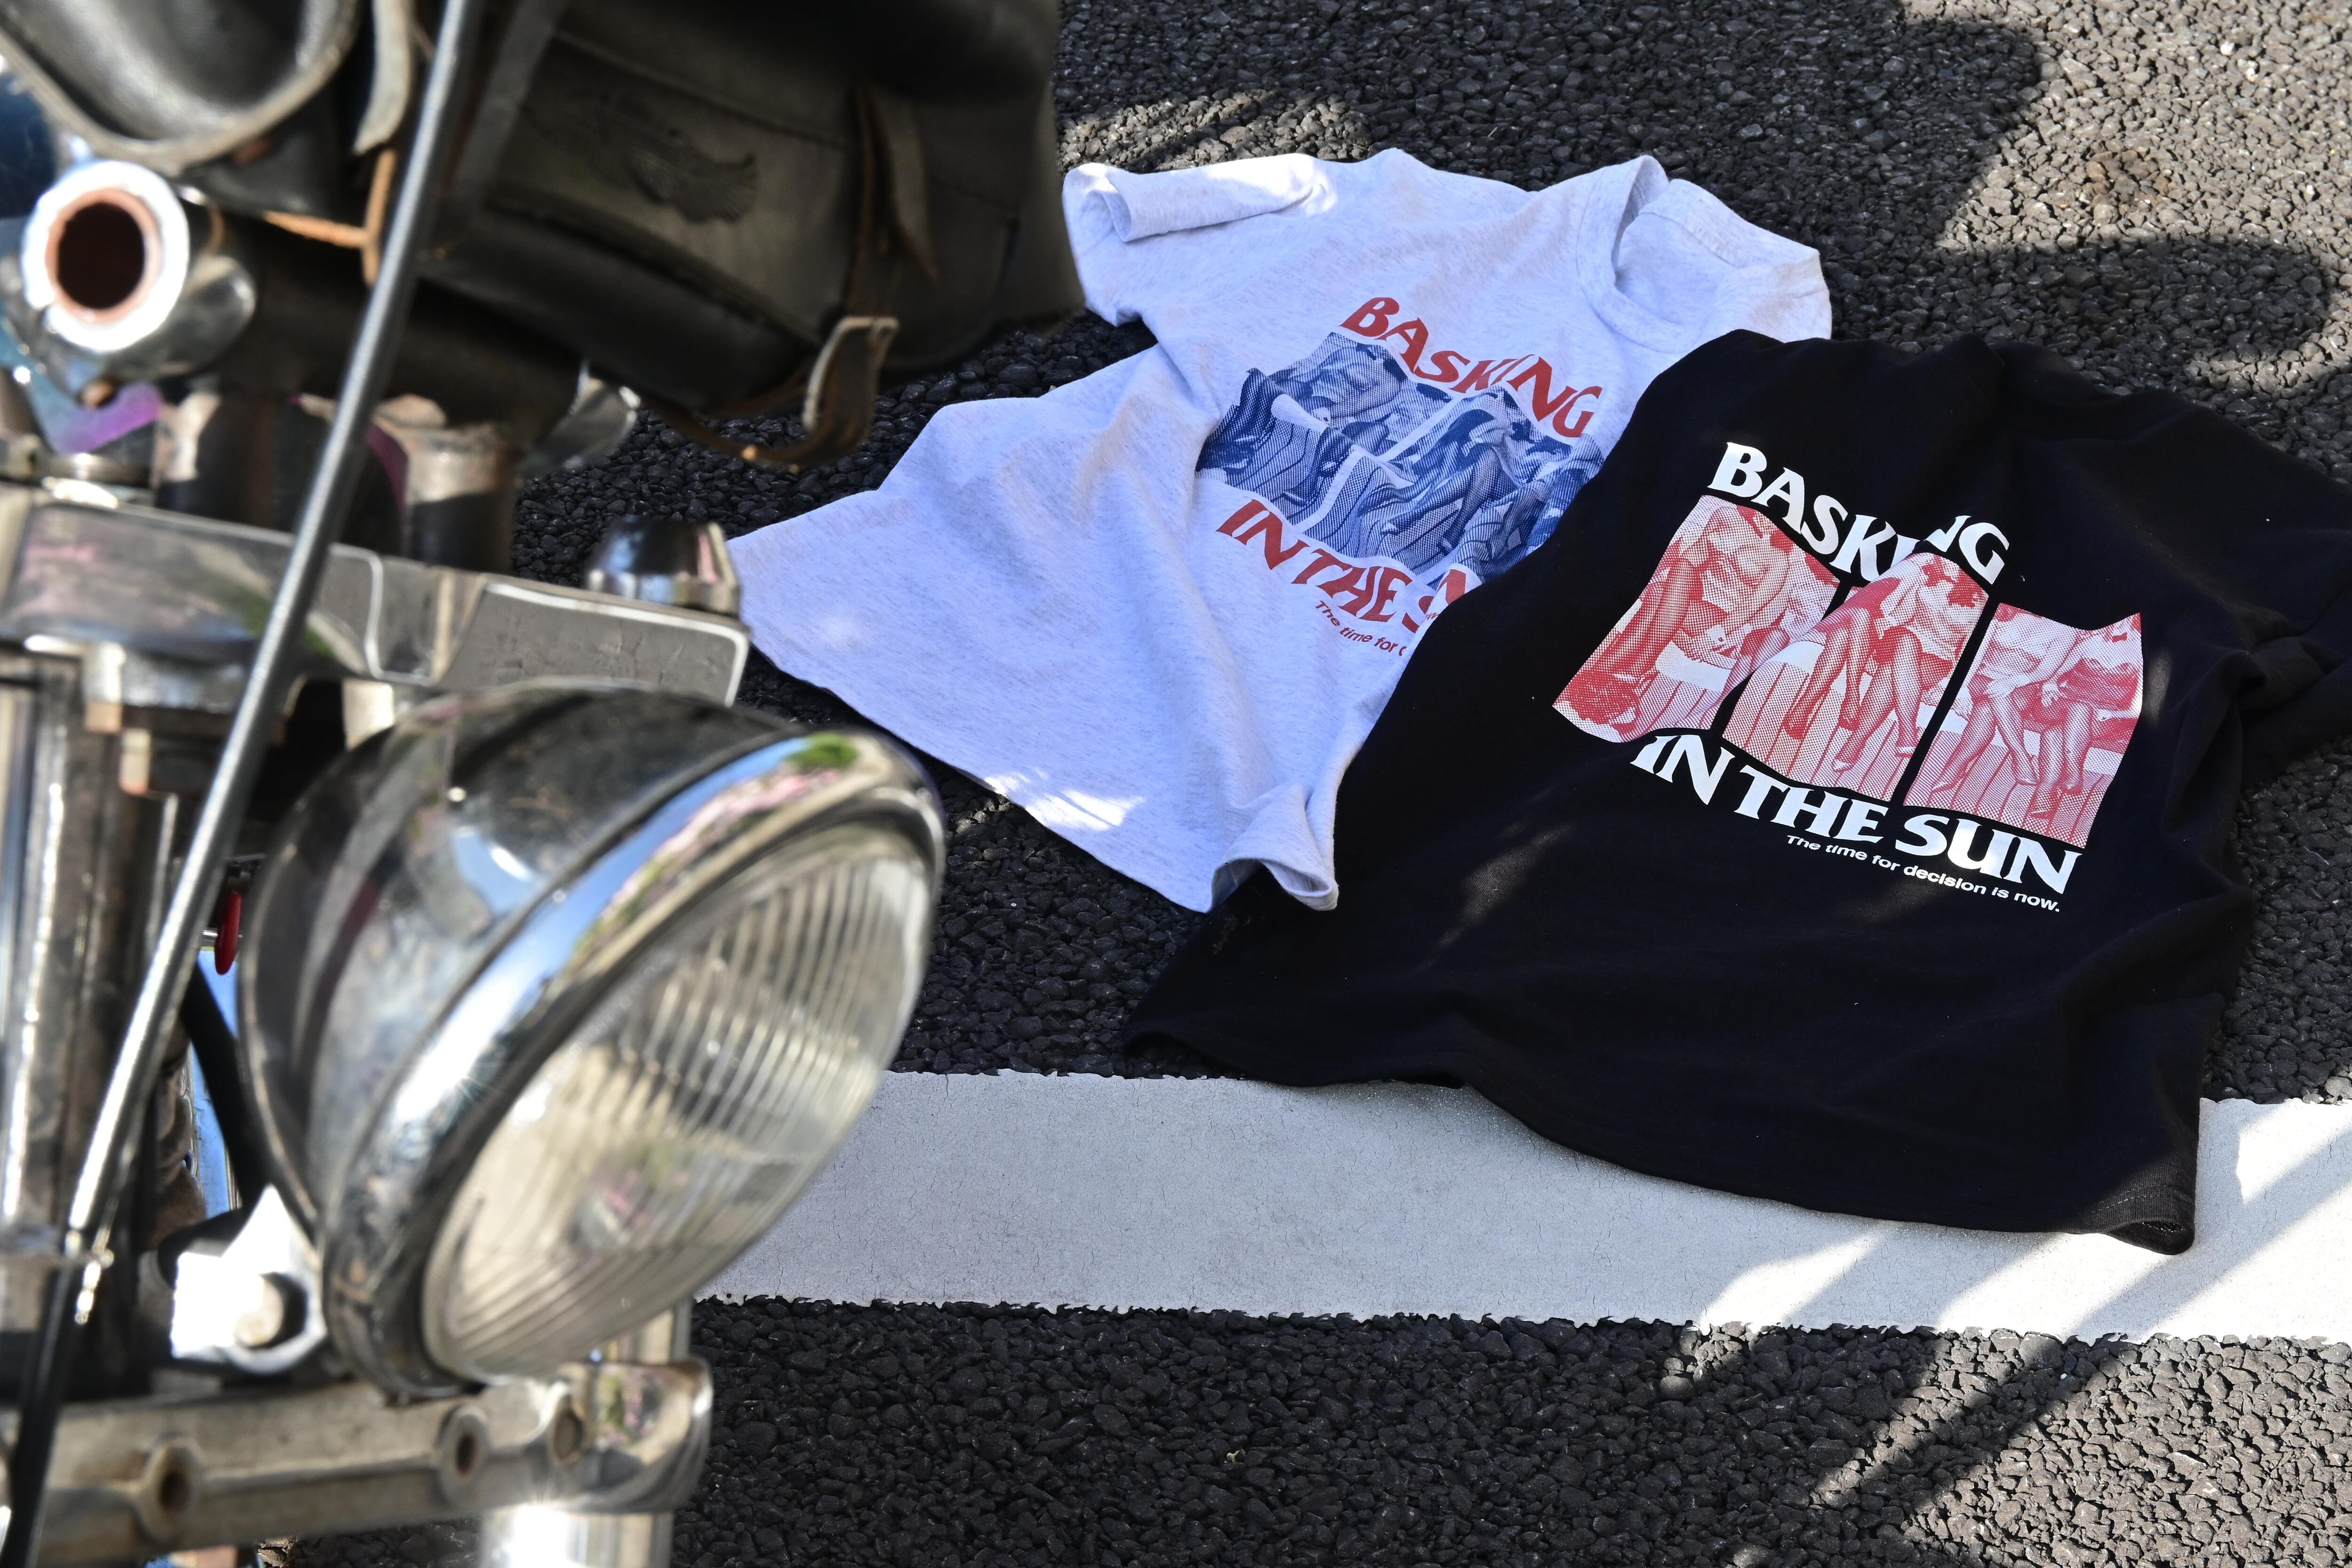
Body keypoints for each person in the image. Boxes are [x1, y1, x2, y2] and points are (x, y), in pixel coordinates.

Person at [1559, 501, 1795, 732]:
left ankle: (1615, 674)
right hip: (1688, 590)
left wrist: (1724, 628)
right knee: (1665, 594)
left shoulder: (1780, 559)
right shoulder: (1727, 516)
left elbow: (1757, 605)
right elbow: (1691, 556)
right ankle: (1620, 675)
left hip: (1718, 610)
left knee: (1660, 601)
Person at [1823, 555, 1982, 772]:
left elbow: (1972, 646)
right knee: (1906, 642)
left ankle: (1856, 742)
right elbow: (1895, 614)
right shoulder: (1924, 573)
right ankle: (1907, 731)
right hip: (1900, 639)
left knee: (1890, 675)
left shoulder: (1979, 593)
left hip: (1938, 657)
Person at [1916, 606, 2080, 800]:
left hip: (2023, 685)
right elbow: (1975, 654)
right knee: (1995, 693)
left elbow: (2045, 671)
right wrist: (1963, 689)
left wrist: (2013, 682)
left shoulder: (2066, 630)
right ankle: (2020, 756)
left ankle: (1955, 768)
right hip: (1982, 678)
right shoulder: (2004, 612)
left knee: (1988, 707)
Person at [2023, 619, 2140, 822]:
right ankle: (2066, 777)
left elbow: (2137, 709)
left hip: (2108, 717)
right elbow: (2055, 676)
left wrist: (2112, 714)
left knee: (2053, 733)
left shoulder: (2142, 649)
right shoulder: (2089, 641)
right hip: (2069, 708)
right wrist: (2050, 685)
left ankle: (2052, 789)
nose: (2118, 625)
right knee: (2075, 712)